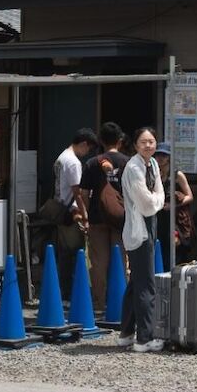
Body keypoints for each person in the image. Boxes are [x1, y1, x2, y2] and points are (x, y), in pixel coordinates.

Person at [117, 127, 166, 353]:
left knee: (137, 281)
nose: (149, 145)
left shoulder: (152, 164)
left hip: (149, 224)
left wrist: (155, 199)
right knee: (146, 283)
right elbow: (147, 206)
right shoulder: (134, 167)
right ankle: (144, 338)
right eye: (144, 142)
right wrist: (157, 200)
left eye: (152, 141)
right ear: (135, 145)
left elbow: (159, 193)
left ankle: (126, 333)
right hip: (138, 228)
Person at [78, 122, 128, 311]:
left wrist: (86, 216)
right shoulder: (127, 162)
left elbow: (83, 194)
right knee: (121, 260)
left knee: (99, 262)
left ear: (100, 141)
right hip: (121, 219)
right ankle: (120, 302)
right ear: (120, 140)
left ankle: (99, 304)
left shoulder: (92, 163)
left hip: (97, 218)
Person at [39, 128, 96, 289]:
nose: (87, 152)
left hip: (60, 209)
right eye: (88, 148)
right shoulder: (73, 162)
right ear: (84, 144)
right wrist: (85, 217)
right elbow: (78, 193)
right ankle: (68, 291)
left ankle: (65, 291)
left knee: (65, 252)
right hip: (72, 213)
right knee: (73, 253)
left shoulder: (61, 157)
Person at [152, 142, 194, 255]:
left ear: (169, 157)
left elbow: (190, 196)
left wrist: (174, 205)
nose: (160, 158)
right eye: (158, 155)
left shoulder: (177, 175)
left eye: (164, 155)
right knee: (161, 246)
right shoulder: (155, 175)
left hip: (177, 217)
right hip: (160, 216)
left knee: (178, 247)